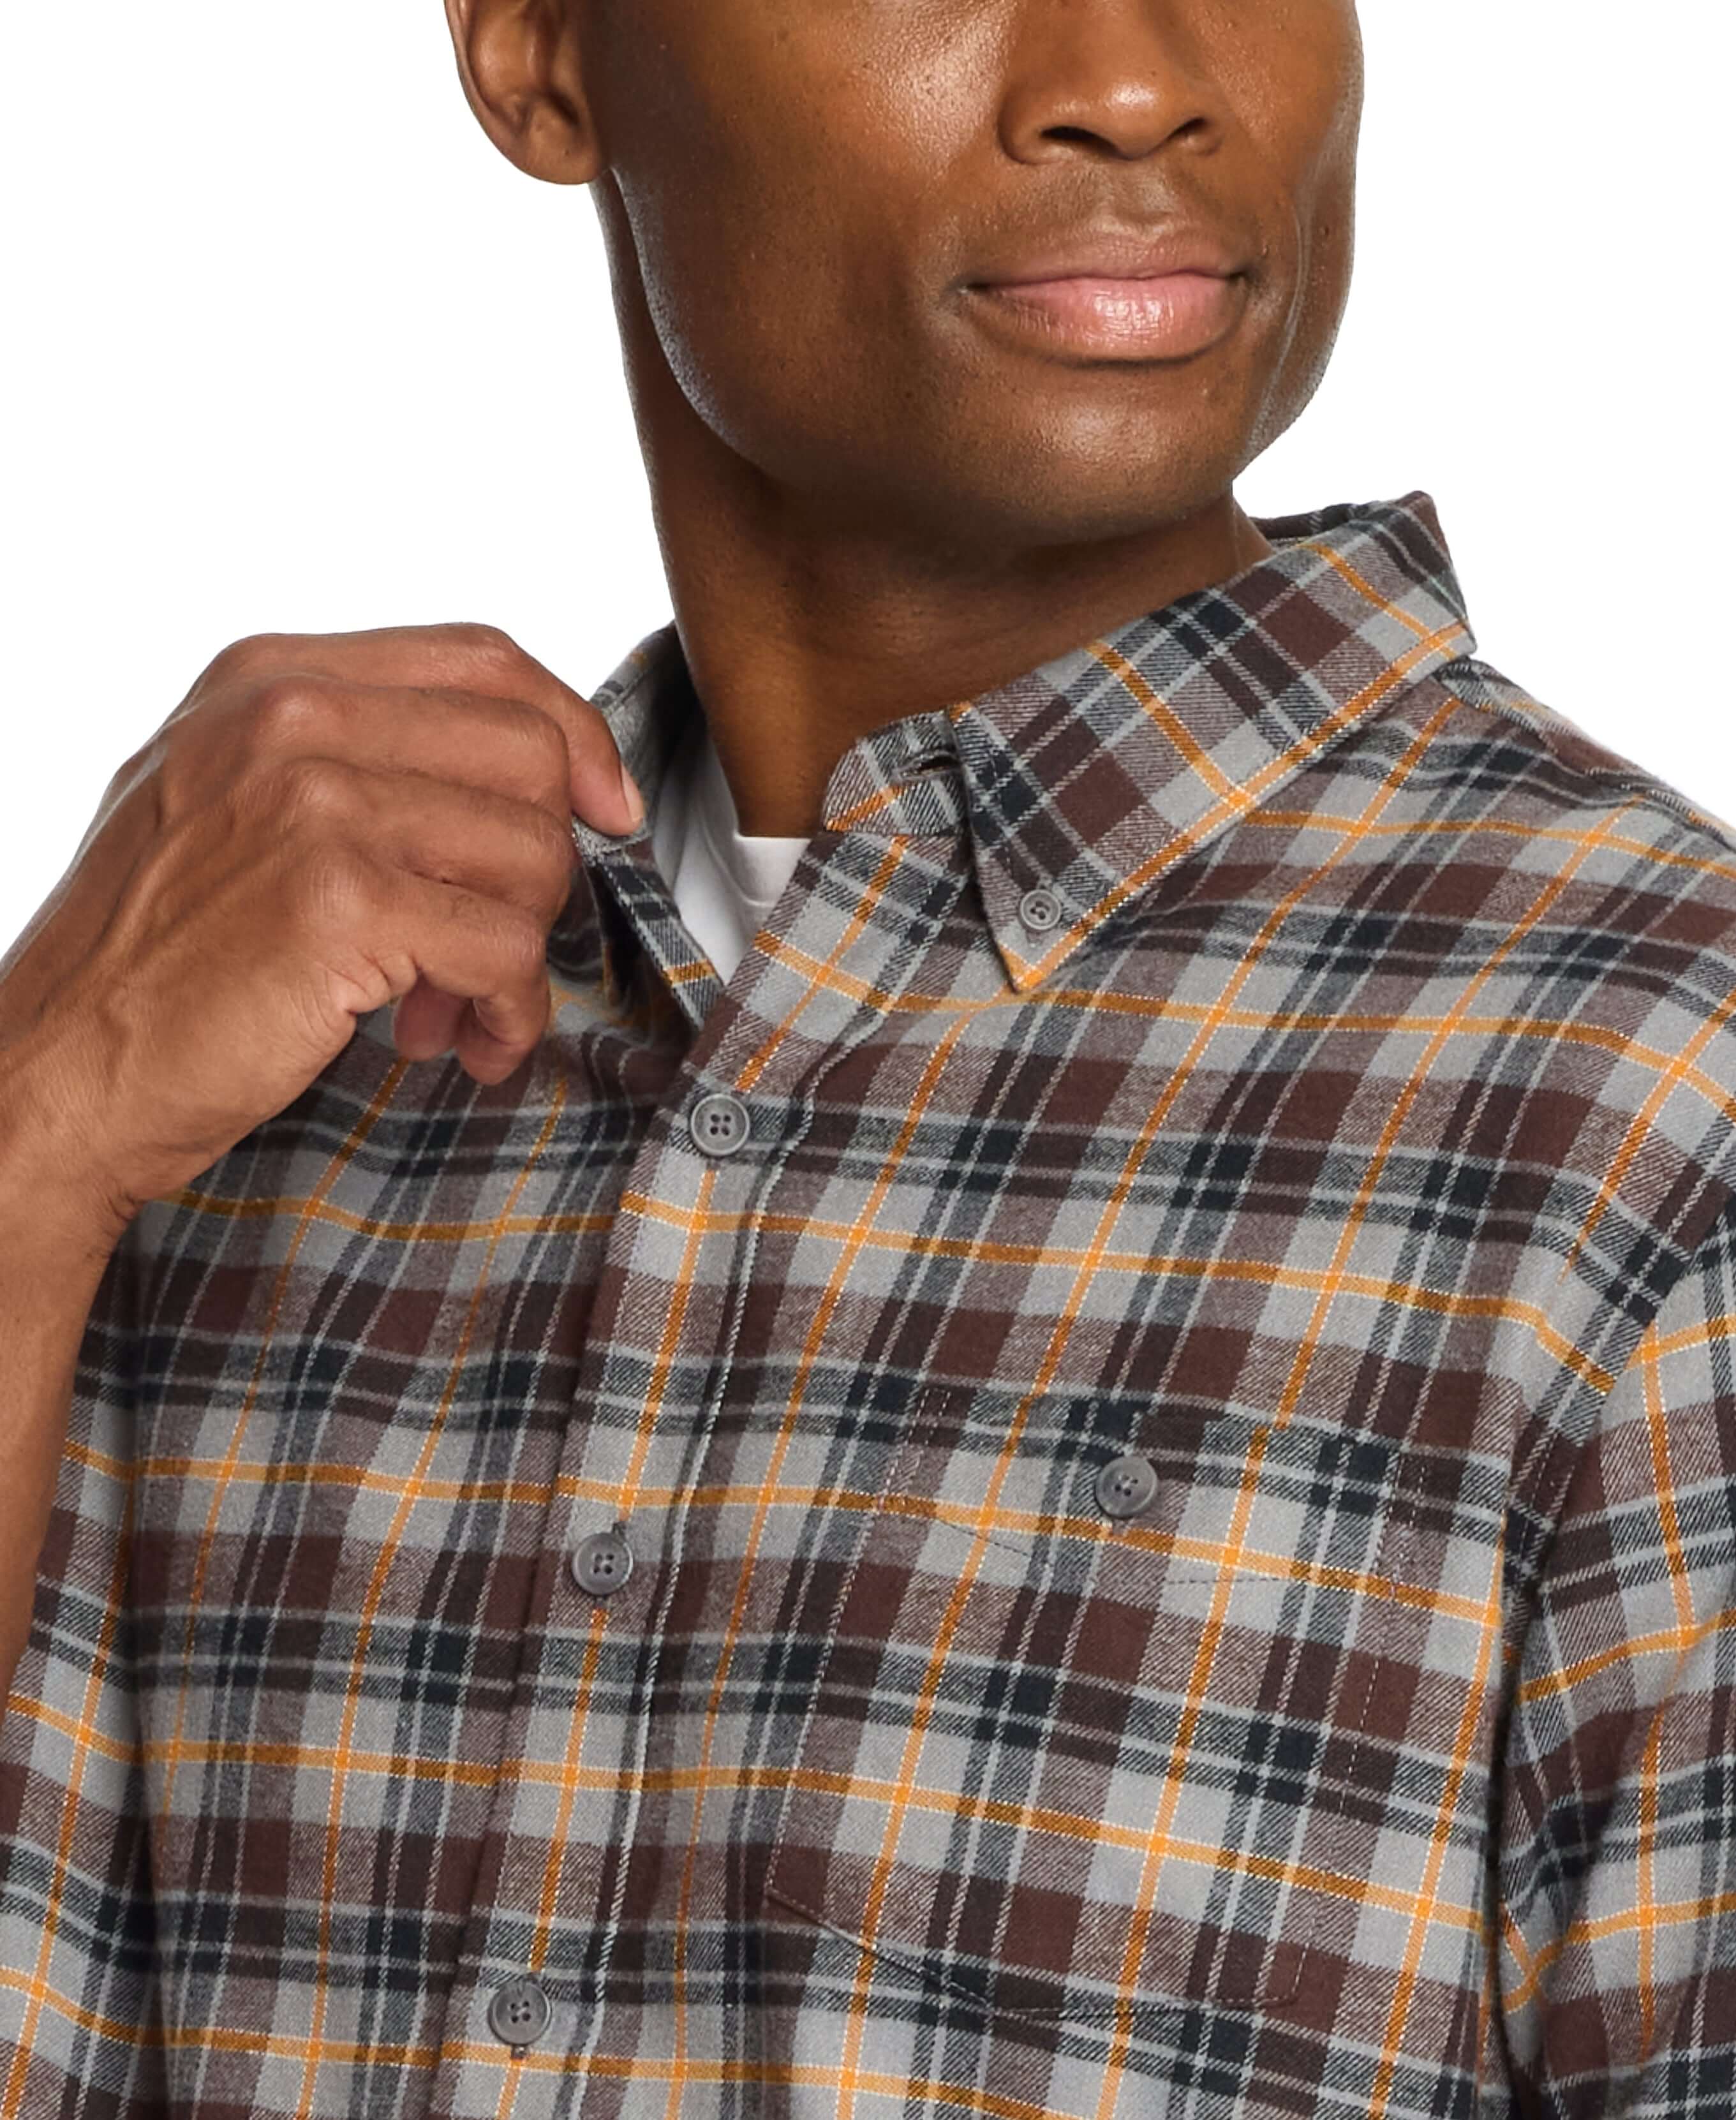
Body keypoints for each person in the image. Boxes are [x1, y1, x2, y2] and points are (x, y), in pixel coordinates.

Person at [1, 0, 1732, 2114]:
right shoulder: (246, 1074)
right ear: (536, 51)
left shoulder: (1660, 1113)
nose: (1132, 80)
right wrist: (30, 1138)